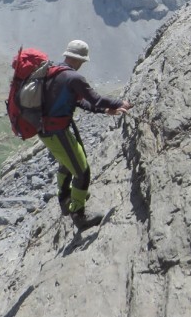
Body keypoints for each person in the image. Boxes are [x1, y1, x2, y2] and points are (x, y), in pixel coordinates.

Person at [39, 39, 133, 230]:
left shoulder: (54, 71)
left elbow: (80, 102)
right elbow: (95, 99)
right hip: (57, 132)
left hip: (46, 130)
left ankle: (65, 198)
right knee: (82, 172)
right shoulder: (74, 78)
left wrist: (104, 111)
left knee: (67, 162)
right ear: (81, 60)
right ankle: (78, 214)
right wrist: (118, 103)